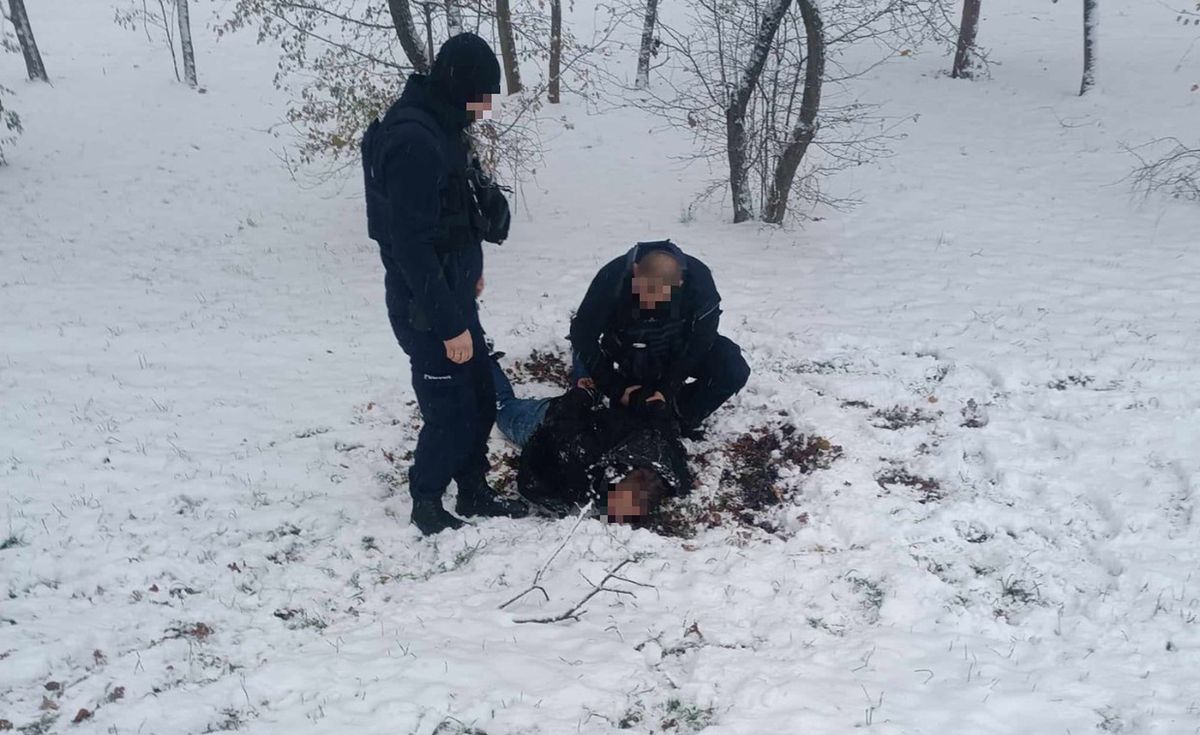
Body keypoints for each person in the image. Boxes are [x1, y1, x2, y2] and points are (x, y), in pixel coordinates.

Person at [362, 33, 527, 535]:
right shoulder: (413, 140)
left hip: (453, 292)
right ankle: (427, 502)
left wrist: (471, 269)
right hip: (426, 305)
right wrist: (450, 324)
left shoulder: (443, 124)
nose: (485, 107)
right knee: (449, 408)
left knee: (478, 395)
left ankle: (474, 491)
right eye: (481, 95)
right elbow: (409, 246)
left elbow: (452, 217)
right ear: (458, 85)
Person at [569, 240, 751, 437]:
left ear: (679, 283)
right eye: (645, 293)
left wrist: (667, 389)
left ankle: (678, 414)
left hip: (677, 344)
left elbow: (702, 340)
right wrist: (615, 388)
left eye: (659, 298)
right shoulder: (612, 278)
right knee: (622, 407)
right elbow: (582, 333)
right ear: (636, 271)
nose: (649, 303)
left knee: (733, 369)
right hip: (627, 347)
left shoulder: (699, 283)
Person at [490, 359, 691, 524]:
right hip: (550, 420)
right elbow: (559, 426)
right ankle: (485, 359)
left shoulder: (669, 468)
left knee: (586, 387)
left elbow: (665, 425)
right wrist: (581, 397)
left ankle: (583, 361)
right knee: (504, 410)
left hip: (601, 422)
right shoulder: (581, 455)